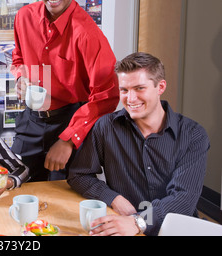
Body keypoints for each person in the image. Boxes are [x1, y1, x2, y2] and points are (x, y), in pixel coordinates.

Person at [67, 52, 210, 236]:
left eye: (139, 88)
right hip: (125, 228)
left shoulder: (193, 135)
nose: (131, 99)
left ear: (161, 87)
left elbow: (183, 199)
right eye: (124, 90)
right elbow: (79, 175)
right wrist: (114, 198)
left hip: (176, 229)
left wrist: (139, 221)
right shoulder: (106, 127)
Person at [10, 0, 119, 181]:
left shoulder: (88, 35)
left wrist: (69, 139)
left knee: (61, 197)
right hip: (31, 120)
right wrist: (21, 78)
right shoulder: (23, 18)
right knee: (17, 186)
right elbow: (18, 57)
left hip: (69, 120)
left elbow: (107, 96)